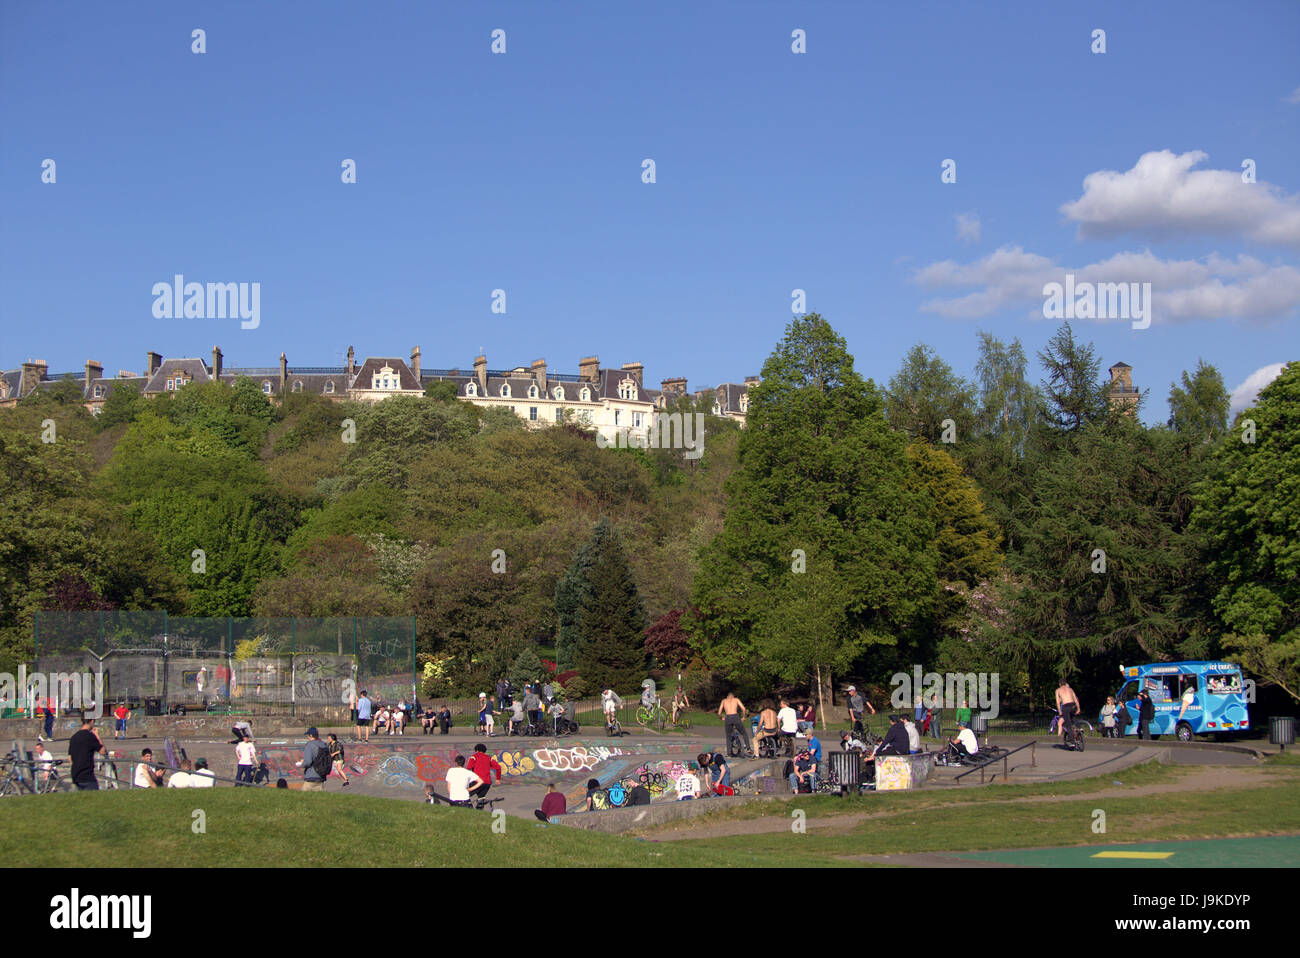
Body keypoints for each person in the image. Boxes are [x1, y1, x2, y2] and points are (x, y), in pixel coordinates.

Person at [67, 717, 106, 790]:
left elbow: (70, 758)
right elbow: (102, 751)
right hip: (87, 775)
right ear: (91, 721)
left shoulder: (74, 737)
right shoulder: (90, 736)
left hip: (75, 774)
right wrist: (97, 735)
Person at [717, 690, 750, 757]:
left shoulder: (724, 701)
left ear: (727, 696)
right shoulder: (736, 700)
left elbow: (719, 713)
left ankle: (729, 753)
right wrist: (743, 717)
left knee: (728, 736)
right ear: (733, 696)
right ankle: (748, 748)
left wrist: (721, 718)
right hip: (735, 716)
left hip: (728, 717)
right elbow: (743, 709)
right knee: (743, 732)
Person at [298, 727, 330, 791]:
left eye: (308, 735)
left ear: (311, 735)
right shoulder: (323, 745)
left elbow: (308, 762)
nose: (308, 737)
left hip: (311, 776)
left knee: (303, 798)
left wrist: (302, 763)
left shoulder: (310, 745)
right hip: (321, 776)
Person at [1055, 679, 1080, 744]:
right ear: (1065, 683)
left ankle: (1072, 742)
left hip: (1066, 706)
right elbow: (1075, 699)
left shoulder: (1058, 690)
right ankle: (1079, 728)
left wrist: (1060, 711)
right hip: (1073, 705)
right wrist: (1078, 709)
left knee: (1068, 724)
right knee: (1073, 717)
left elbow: (1058, 702)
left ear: (1060, 684)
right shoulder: (1070, 689)